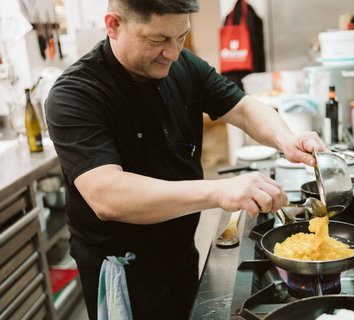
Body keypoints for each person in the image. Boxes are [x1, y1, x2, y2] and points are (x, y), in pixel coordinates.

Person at [45, 0, 327, 319]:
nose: (174, 52)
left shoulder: (181, 64)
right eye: (158, 40)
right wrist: (219, 191)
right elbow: (107, 196)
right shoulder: (75, 95)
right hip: (126, 268)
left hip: (180, 251)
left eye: (182, 37)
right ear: (113, 25)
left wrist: (285, 138)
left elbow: (244, 109)